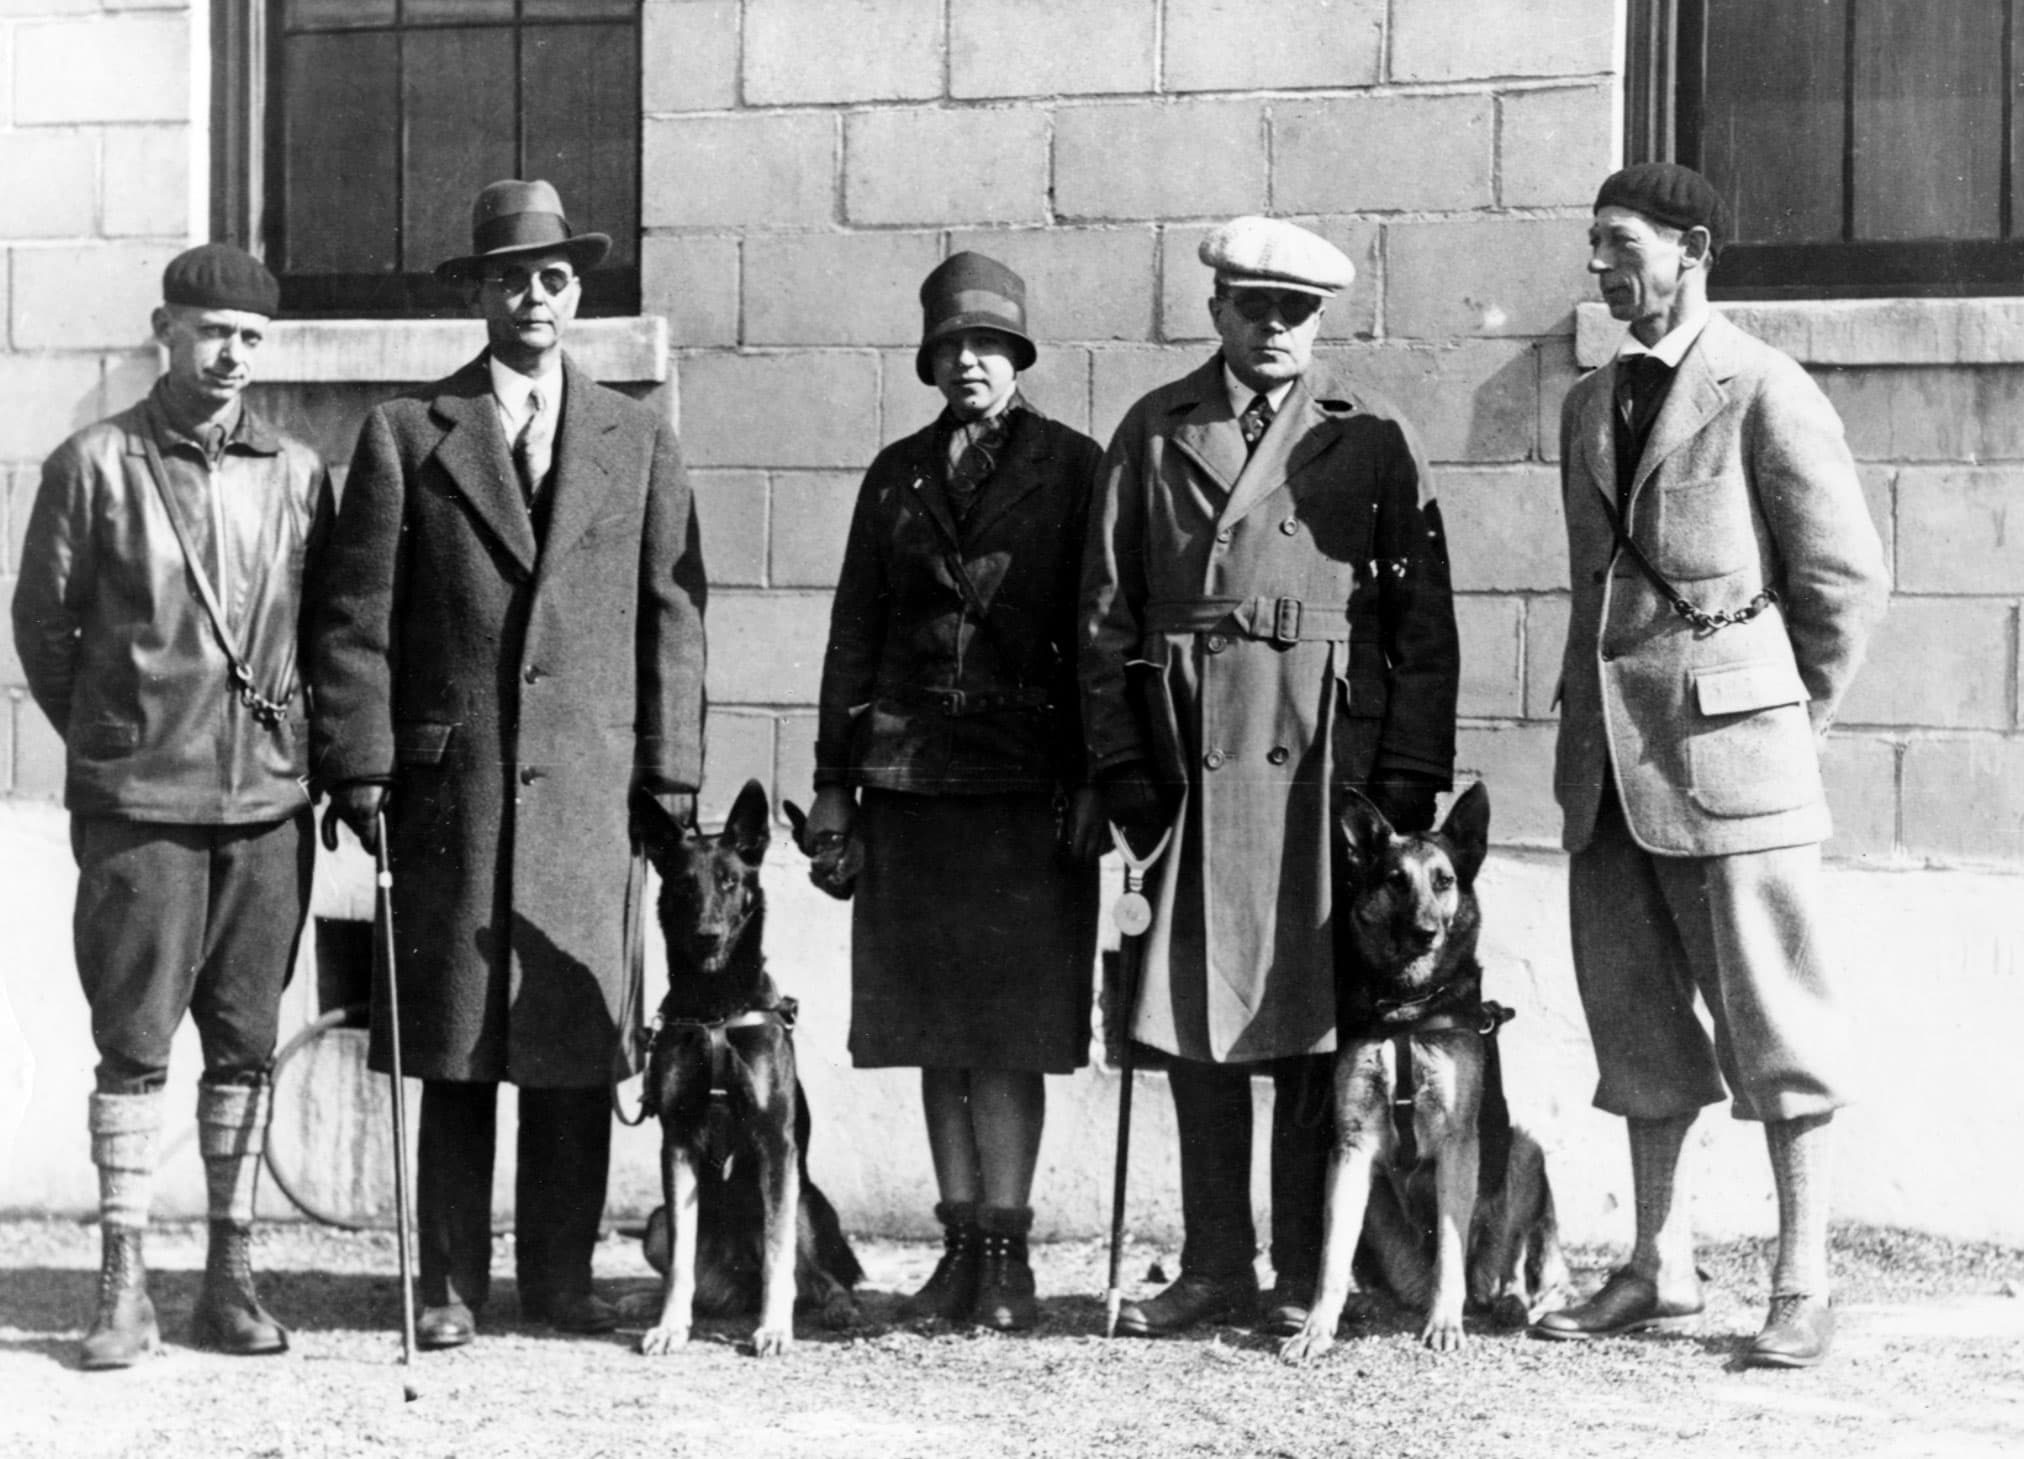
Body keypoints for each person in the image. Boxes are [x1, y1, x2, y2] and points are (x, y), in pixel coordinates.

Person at [304, 179, 707, 1350]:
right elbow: (353, 617)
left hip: (589, 788)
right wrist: (361, 769)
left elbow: (672, 612)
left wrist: (670, 775)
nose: (533, 297)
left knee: (572, 1048)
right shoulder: (405, 433)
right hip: (453, 794)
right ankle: (446, 1286)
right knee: (459, 1045)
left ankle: (560, 1278)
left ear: (576, 293)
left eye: (553, 278)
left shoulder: (637, 436)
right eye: (509, 278)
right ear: (475, 292)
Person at [1530, 164, 1888, 1368]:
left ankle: (1800, 1278)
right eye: (1590, 244)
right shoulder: (1586, 403)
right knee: (1635, 1028)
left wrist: (1779, 720)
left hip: (1736, 765)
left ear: (1689, 248)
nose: (1596, 266)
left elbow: (1839, 582)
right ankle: (1657, 1263)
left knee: (1776, 1025)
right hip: (1609, 774)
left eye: (1618, 243)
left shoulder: (1764, 390)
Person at [1079, 216, 1460, 1337]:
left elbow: (1417, 624)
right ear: (1218, 313)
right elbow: (1103, 614)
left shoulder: (1373, 438)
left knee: (1307, 1019)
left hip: (1320, 765)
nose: (1277, 330)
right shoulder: (1153, 431)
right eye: (1256, 308)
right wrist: (1123, 768)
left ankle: (1302, 1261)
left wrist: (1405, 774)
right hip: (1189, 748)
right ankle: (1210, 1261)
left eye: (1297, 313)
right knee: (1193, 1012)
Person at [11, 244, 330, 1369]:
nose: (232, 352)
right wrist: (118, 741)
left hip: (266, 810)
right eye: (212, 331)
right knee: (134, 1047)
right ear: (167, 330)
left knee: (243, 1047)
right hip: (140, 806)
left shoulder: (297, 472)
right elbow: (46, 634)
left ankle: (230, 1279)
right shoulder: (92, 464)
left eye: (250, 335)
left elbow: (327, 632)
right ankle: (123, 1285)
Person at [797, 253, 1105, 1331]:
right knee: (934, 1028)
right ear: (927, 359)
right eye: (950, 346)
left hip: (1026, 791)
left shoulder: (1074, 469)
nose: (969, 362)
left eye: (988, 344)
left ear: (1018, 356)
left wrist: (1090, 781)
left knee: (1011, 1029)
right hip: (911, 784)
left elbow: (1096, 641)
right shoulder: (894, 475)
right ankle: (957, 1250)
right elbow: (853, 638)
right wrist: (834, 790)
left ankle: (1008, 1258)